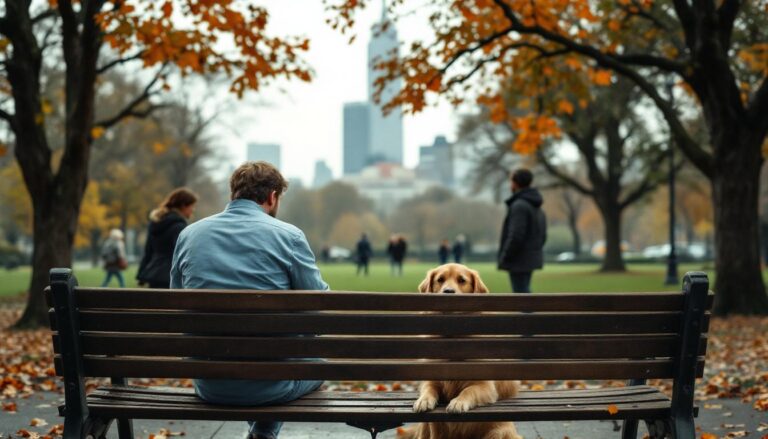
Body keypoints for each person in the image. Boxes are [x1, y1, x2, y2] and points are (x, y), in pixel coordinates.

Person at [171, 161, 329, 439]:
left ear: (233, 193)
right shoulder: (289, 236)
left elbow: (176, 304)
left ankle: (262, 432)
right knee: (317, 363)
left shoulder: (189, 235)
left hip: (209, 384)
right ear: (272, 197)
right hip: (272, 386)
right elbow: (319, 305)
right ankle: (264, 433)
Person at [137, 188, 198, 289]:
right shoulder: (179, 226)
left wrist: (141, 274)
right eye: (192, 206)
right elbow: (182, 254)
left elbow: (148, 250)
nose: (193, 210)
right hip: (171, 276)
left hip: (154, 274)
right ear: (183, 205)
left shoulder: (155, 222)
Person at [498, 168, 547, 293]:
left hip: (518, 259)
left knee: (521, 296)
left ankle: (528, 313)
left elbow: (516, 235)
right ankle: (529, 312)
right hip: (530, 257)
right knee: (524, 292)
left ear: (515, 183)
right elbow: (543, 235)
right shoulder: (535, 206)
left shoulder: (519, 205)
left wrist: (506, 255)